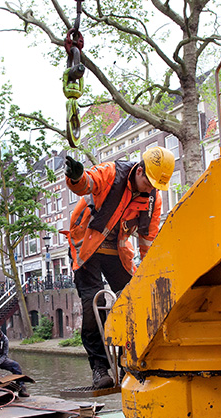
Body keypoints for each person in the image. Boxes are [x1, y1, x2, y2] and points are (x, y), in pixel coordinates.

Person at [62, 146, 174, 388]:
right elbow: (88, 183)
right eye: (149, 182)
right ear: (140, 171)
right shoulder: (113, 173)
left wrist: (152, 271)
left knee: (133, 299)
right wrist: (76, 177)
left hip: (117, 251)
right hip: (87, 246)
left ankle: (128, 363)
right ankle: (100, 369)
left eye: (156, 185)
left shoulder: (154, 197)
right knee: (92, 303)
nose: (151, 188)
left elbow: (148, 238)